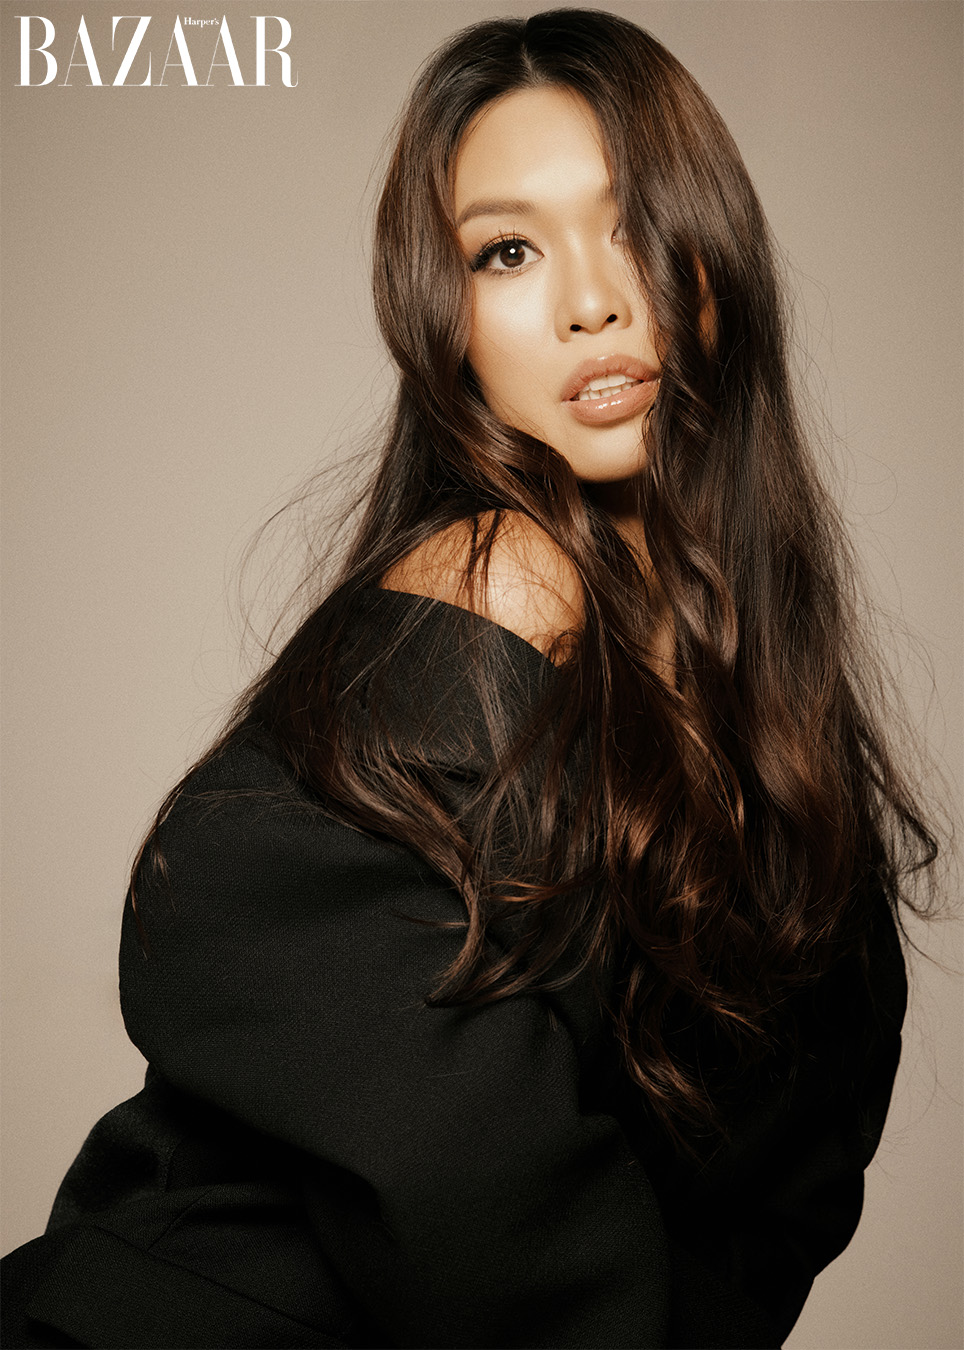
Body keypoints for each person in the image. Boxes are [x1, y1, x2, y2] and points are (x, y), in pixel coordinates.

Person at [1, 9, 937, 1349]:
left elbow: (782, 1193)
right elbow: (244, 929)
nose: (591, 300)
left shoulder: (777, 729)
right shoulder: (499, 577)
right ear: (448, 330)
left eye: (632, 224)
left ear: (715, 256)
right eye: (508, 251)